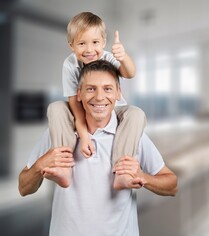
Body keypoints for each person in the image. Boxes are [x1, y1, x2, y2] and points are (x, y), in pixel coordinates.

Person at [18, 60, 178, 236]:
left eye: (108, 89)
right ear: (79, 94)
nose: (100, 97)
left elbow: (171, 185)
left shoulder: (133, 135)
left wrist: (143, 177)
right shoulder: (56, 132)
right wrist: (40, 166)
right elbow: (23, 187)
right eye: (91, 89)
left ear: (118, 93)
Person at [47, 11, 145, 190]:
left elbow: (130, 73)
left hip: (111, 111)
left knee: (136, 114)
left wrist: (123, 57)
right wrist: (83, 135)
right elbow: (74, 104)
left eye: (95, 42)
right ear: (71, 45)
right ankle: (63, 167)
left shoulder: (108, 57)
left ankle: (122, 172)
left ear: (104, 43)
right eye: (82, 43)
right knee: (55, 108)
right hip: (83, 110)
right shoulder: (70, 65)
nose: (89, 49)